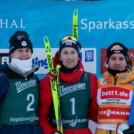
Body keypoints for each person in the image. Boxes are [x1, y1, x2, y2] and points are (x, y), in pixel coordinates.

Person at [39, 35, 98, 134]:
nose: (70, 57)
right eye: (65, 53)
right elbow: (41, 117)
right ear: (60, 56)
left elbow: (96, 114)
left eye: (73, 52)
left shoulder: (90, 79)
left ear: (78, 55)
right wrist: (51, 133)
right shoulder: (49, 81)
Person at [0, 30, 43, 134]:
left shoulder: (35, 78)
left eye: (27, 50)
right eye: (20, 50)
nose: (24, 54)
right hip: (10, 130)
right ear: (12, 54)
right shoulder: (4, 78)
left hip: (34, 130)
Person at [95, 42, 134, 134]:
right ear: (107, 61)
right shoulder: (99, 83)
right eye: (113, 58)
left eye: (121, 59)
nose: (117, 62)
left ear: (126, 61)